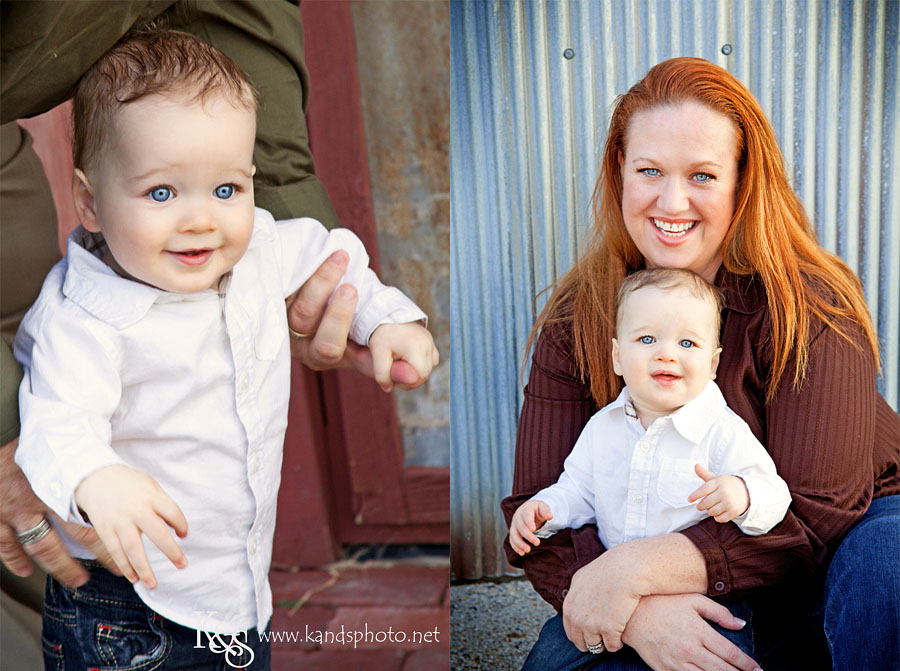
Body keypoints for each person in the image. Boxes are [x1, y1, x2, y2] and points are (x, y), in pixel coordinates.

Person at [12, 27, 438, 670]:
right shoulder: (83, 319)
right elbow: (53, 422)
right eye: (161, 193)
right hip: (124, 609)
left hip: (238, 591)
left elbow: (333, 254)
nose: (201, 220)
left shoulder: (260, 248)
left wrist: (386, 321)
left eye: (226, 189)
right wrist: (93, 476)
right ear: (90, 202)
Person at [501, 57, 900, 671]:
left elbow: (816, 513)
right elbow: (535, 507)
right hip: (686, 558)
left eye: (703, 175)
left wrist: (635, 569)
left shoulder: (811, 304)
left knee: (888, 581)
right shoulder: (578, 317)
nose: (672, 200)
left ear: (742, 184)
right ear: (620, 176)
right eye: (650, 171)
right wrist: (630, 609)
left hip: (853, 525)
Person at [509, 269, 792, 578]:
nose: (667, 354)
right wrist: (546, 509)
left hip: (691, 589)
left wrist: (743, 494)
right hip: (615, 585)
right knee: (556, 630)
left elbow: (776, 495)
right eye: (647, 339)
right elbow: (579, 491)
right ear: (618, 356)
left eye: (687, 343)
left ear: (712, 364)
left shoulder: (721, 432)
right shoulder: (602, 429)